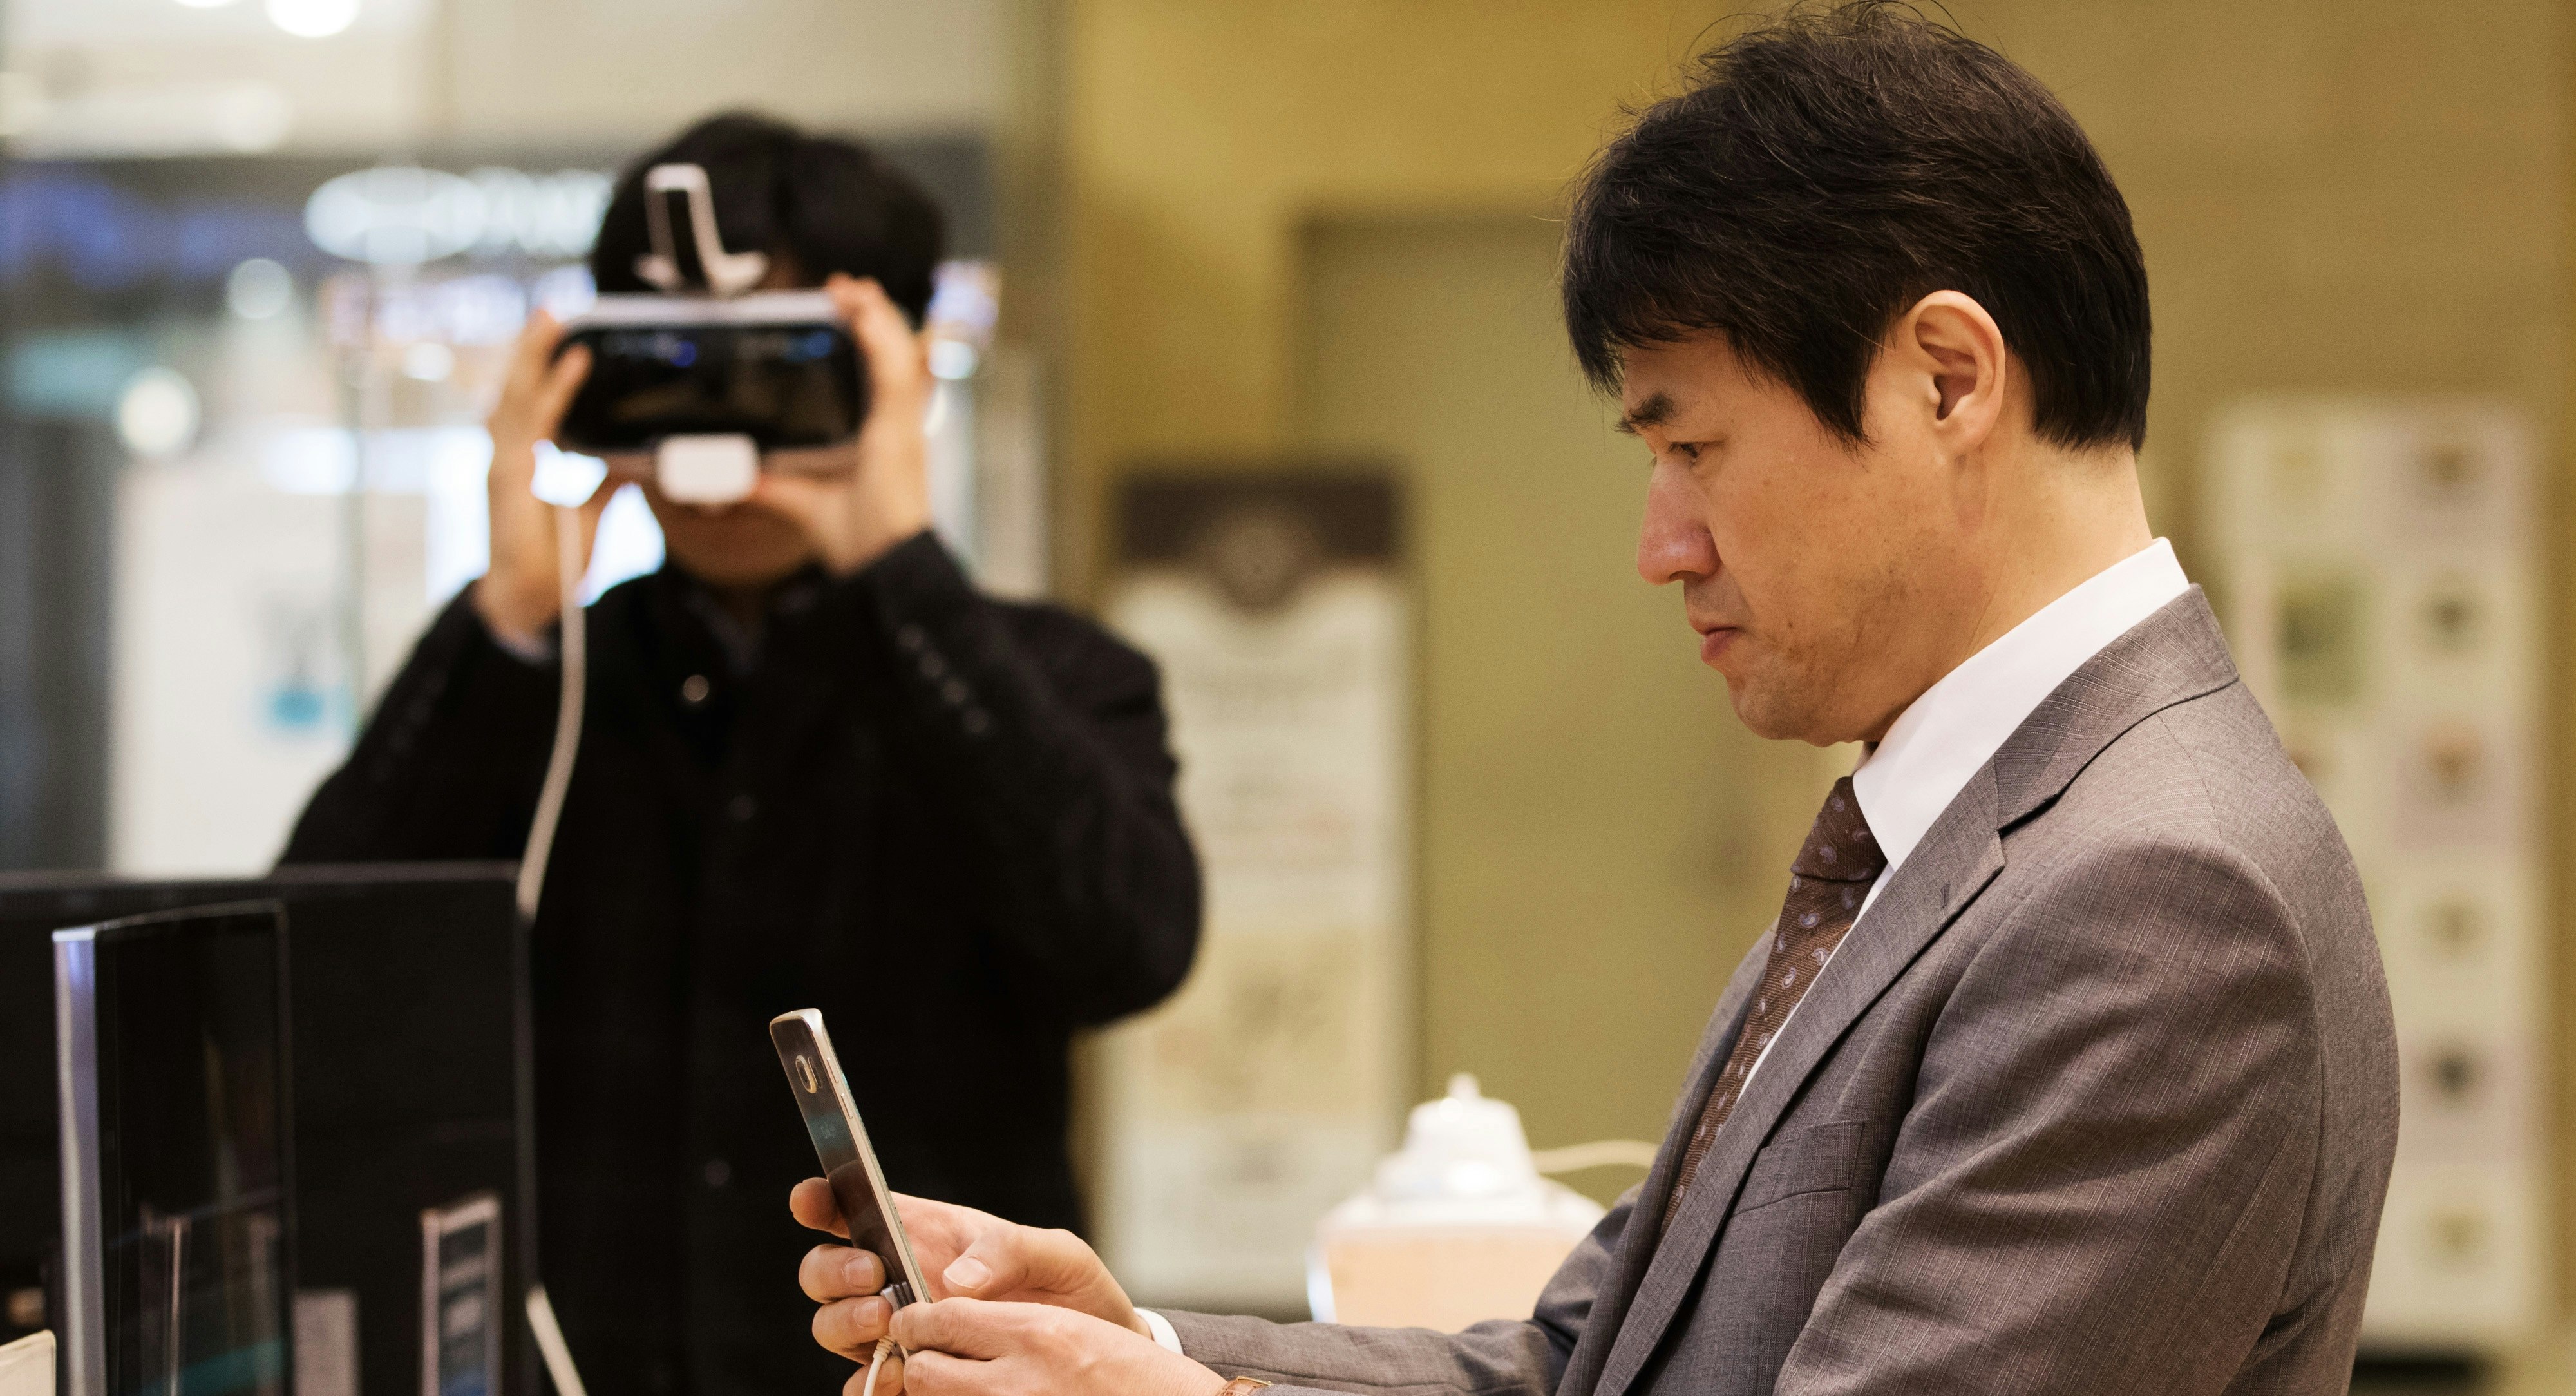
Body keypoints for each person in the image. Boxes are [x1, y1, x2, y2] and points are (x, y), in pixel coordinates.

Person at [791, 8, 2398, 1395]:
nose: (1659, 545)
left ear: (1946, 379)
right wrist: (1140, 1345)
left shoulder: (2154, 895)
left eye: (1691, 446)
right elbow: (1588, 1358)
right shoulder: (1955, 830)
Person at [281, 113, 1202, 1396]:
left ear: (894, 371)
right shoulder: (540, 687)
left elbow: (1127, 944)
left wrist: (900, 561)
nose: (723, 425)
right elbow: (317, 970)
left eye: (775, 365)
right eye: (671, 361)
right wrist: (506, 620)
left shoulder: (1044, 676)